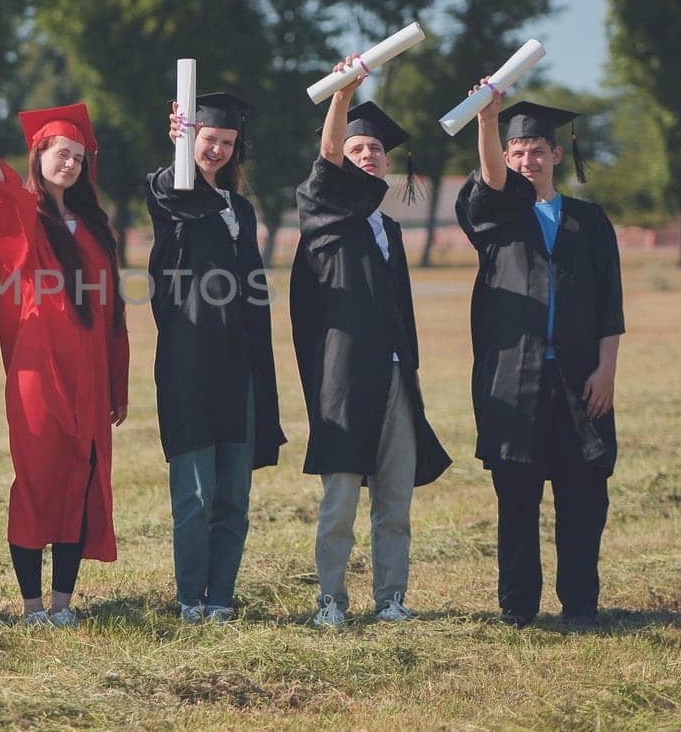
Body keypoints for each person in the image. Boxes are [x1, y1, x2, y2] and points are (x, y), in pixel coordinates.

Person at [0, 98, 129, 628]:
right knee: (38, 478)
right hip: (39, 372)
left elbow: (113, 311)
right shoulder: (26, 213)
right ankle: (31, 606)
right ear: (38, 154)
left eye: (77, 157)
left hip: (91, 375)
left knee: (82, 474)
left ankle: (62, 604)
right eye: (59, 154)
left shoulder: (95, 227)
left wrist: (117, 383)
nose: (69, 164)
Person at [289, 62, 451, 629]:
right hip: (343, 378)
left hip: (395, 376)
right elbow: (328, 156)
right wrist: (343, 95)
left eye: (376, 150)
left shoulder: (391, 230)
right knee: (340, 501)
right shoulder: (323, 210)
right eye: (358, 148)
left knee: (395, 499)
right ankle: (331, 599)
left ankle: (391, 598)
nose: (368, 156)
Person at [455, 86, 624, 631]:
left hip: (580, 379)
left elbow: (609, 303)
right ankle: (518, 607)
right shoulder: (494, 217)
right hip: (514, 381)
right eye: (517, 150)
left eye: (537, 150)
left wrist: (607, 370)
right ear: (505, 158)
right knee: (518, 499)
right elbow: (487, 181)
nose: (528, 159)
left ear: (556, 154)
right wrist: (488, 120)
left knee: (584, 498)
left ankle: (580, 605)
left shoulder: (590, 221)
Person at [148, 92, 286, 623]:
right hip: (190, 364)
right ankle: (190, 600)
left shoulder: (242, 210)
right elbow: (170, 187)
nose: (219, 150)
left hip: (241, 367)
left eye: (227, 143)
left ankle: (221, 599)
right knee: (196, 495)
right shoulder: (172, 195)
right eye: (210, 140)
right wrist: (180, 149)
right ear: (191, 140)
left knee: (233, 493)